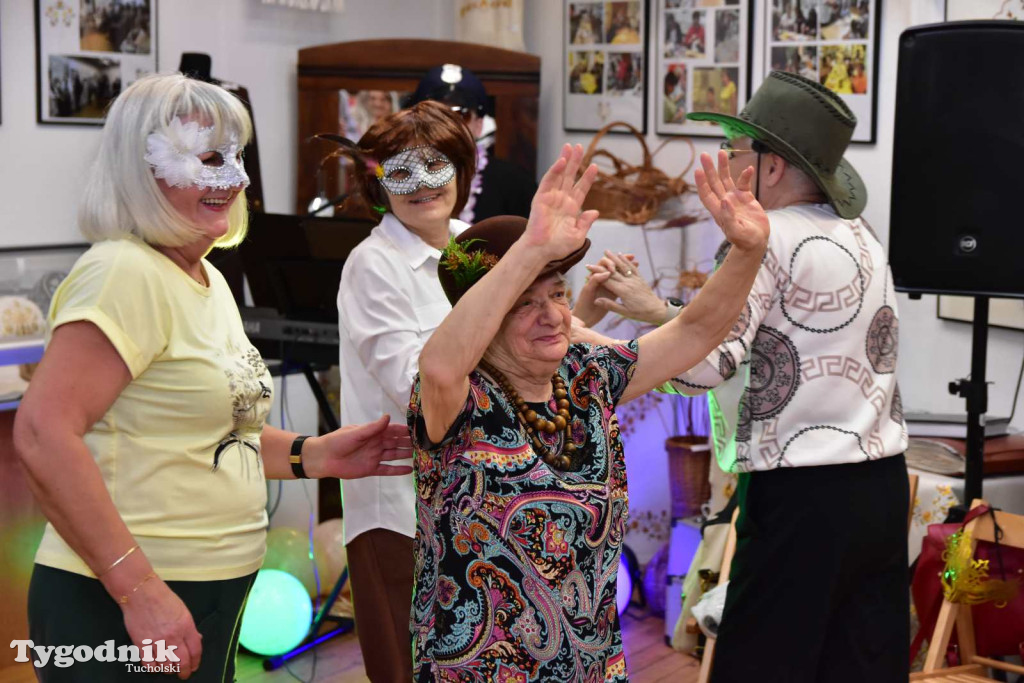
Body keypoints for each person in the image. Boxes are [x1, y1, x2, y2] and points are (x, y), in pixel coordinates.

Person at [13, 73, 412, 683]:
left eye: (237, 156)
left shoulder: (207, 277)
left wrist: (316, 454)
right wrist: (139, 589)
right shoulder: (124, 272)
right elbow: (43, 434)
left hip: (207, 589)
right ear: (140, 168)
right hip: (121, 602)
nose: (237, 178)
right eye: (208, 159)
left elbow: (219, 431)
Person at [574, 71, 909, 683]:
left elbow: (703, 367)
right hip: (881, 489)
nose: (724, 159)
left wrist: (577, 339)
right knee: (856, 665)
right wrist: (656, 310)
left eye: (733, 146)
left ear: (770, 167)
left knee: (762, 665)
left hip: (802, 499)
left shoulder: (761, 242)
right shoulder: (860, 236)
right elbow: (778, 336)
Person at [409, 143, 770, 680]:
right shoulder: (458, 395)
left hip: (590, 662)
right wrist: (531, 249)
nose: (552, 315)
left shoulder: (586, 374)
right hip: (478, 669)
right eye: (523, 304)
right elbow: (439, 365)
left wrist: (746, 253)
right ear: (482, 316)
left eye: (557, 294)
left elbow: (693, 331)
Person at [331, 99, 476, 682]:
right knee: (406, 667)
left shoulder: (478, 245)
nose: (421, 186)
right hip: (400, 508)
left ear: (462, 169)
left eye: (436, 165)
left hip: (480, 496)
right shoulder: (374, 265)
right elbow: (415, 390)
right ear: (378, 183)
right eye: (401, 172)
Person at [407, 64, 537, 224]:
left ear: (479, 124)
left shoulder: (515, 183)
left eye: (462, 115)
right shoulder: (401, 178)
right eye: (436, 115)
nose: (448, 124)